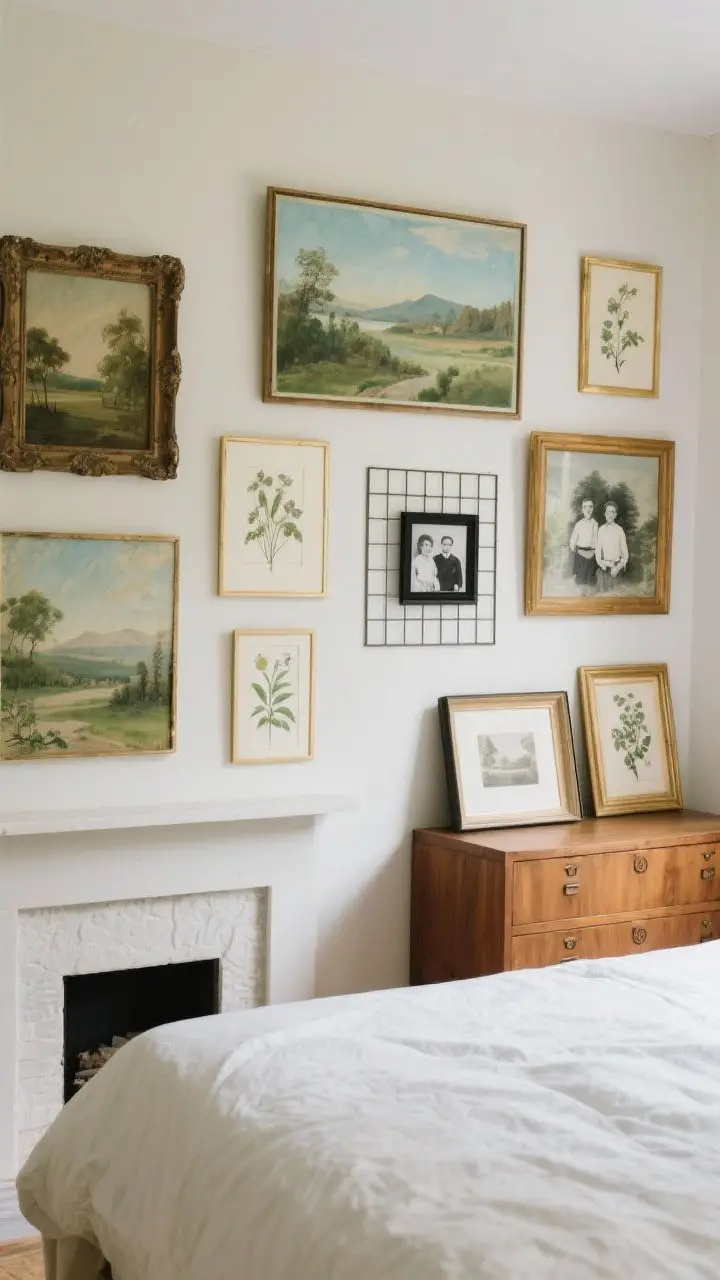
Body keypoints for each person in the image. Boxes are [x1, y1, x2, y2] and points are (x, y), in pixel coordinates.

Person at [595, 501, 629, 591]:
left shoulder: (620, 530)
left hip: (616, 570)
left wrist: (617, 568)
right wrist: (603, 565)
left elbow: (625, 555)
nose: (610, 514)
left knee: (616, 595)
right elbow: (597, 552)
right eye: (608, 512)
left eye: (612, 512)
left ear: (615, 515)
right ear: (605, 514)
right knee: (602, 595)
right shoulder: (601, 530)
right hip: (604, 569)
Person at [569, 497, 599, 592]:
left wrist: (592, 552)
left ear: (593, 508)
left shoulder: (595, 523)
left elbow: (595, 540)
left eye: (590, 506)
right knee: (580, 581)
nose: (588, 509)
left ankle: (590, 593)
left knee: (590, 581)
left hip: (591, 553)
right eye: (585, 507)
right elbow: (572, 541)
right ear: (582, 510)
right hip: (580, 554)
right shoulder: (579, 524)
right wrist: (578, 551)